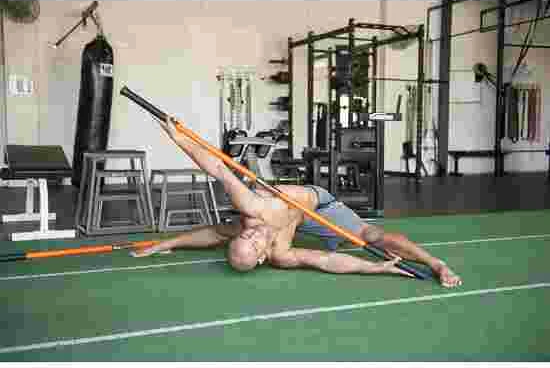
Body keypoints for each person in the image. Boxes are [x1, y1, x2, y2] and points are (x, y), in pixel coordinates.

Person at [132, 117, 462, 288]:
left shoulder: (252, 210)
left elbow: (217, 168)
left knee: (372, 236)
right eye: (253, 243)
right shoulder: (281, 254)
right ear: (263, 257)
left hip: (318, 204)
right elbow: (326, 261)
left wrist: (179, 137)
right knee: (371, 245)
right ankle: (422, 263)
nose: (252, 234)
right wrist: (373, 267)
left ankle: (436, 264)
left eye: (245, 235)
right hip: (303, 222)